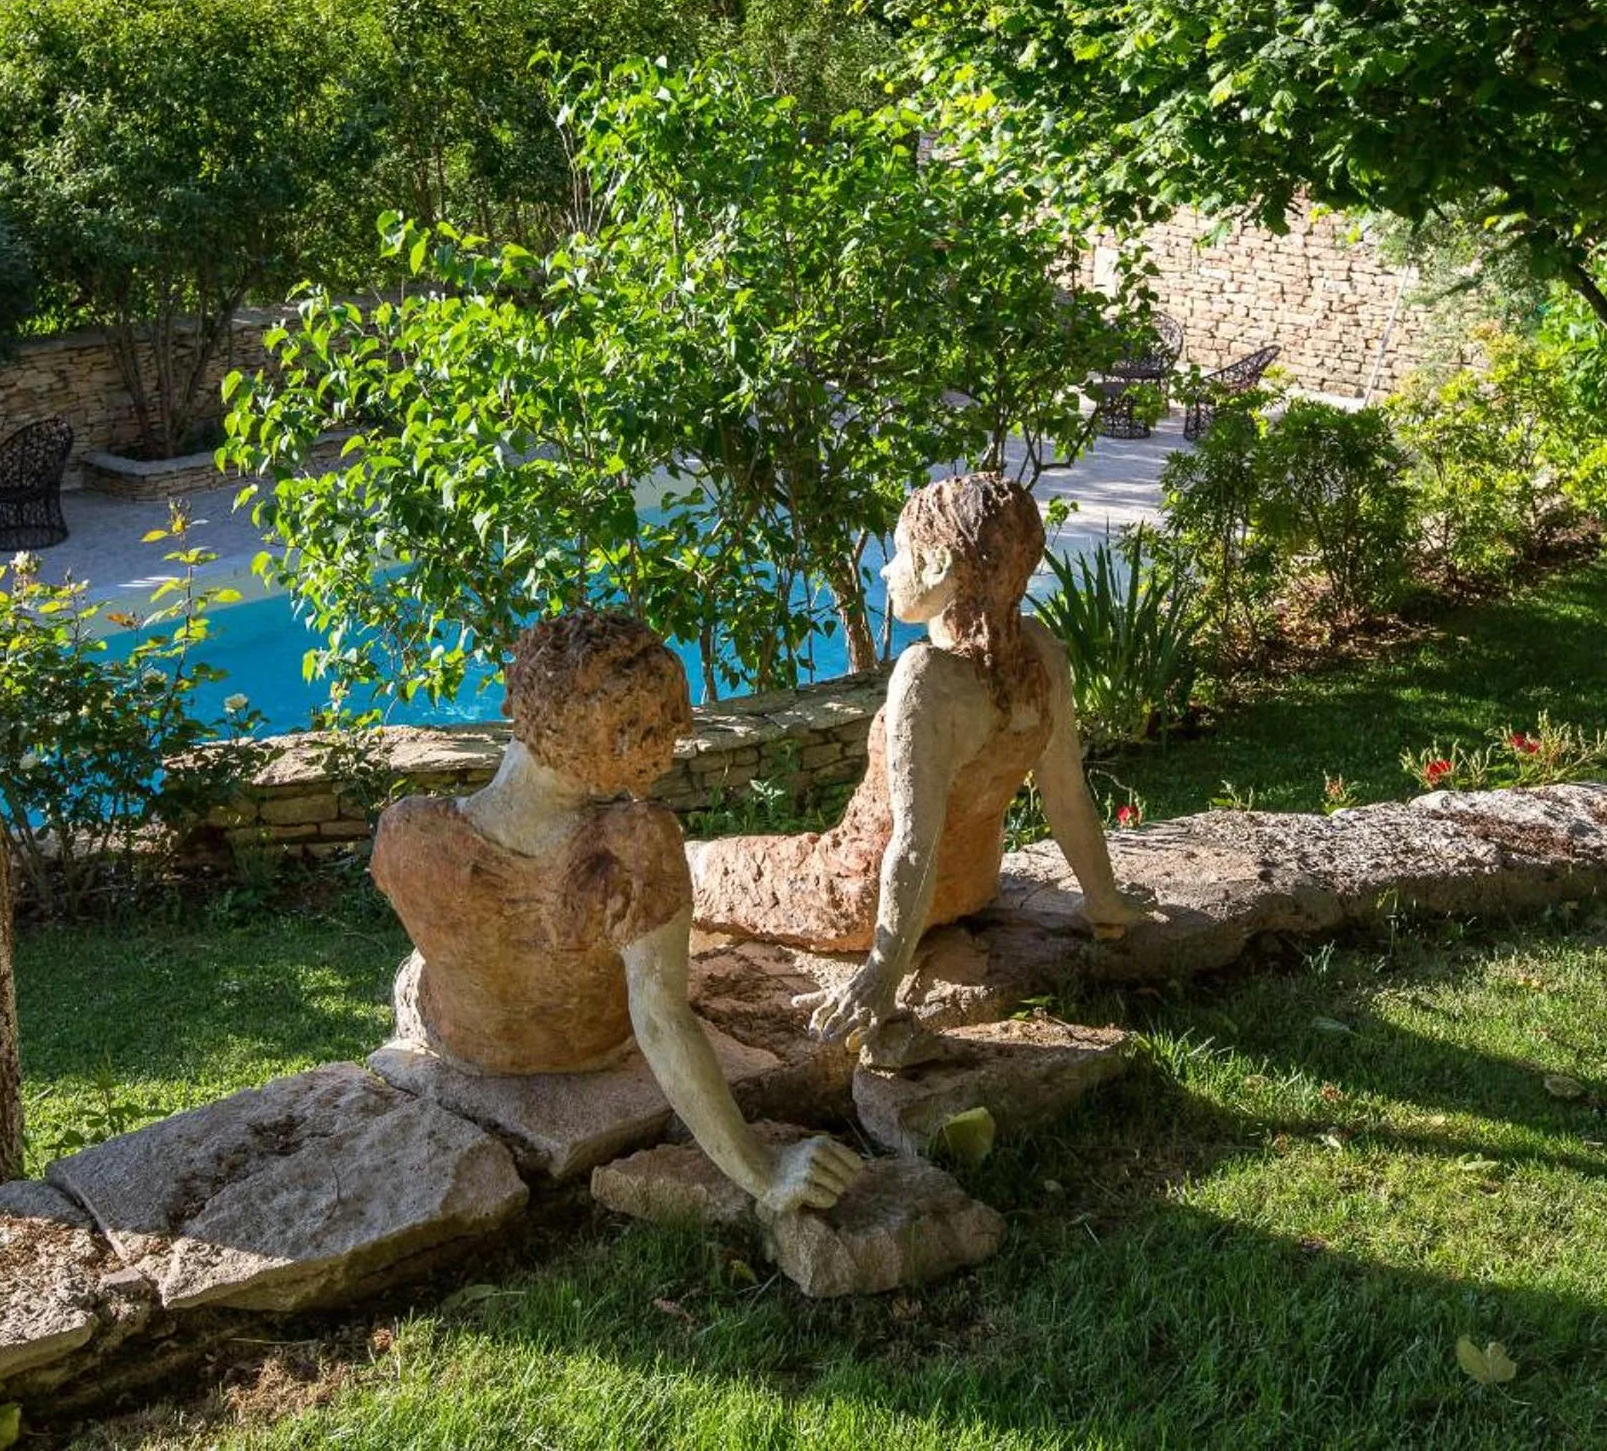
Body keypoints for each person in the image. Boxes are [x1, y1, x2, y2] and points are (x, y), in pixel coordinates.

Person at [370, 609, 861, 1219]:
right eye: (663, 733)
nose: (672, 749)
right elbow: (659, 1020)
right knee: (661, 960)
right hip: (592, 1042)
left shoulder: (408, 831)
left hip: (463, 1040)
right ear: (622, 736)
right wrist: (764, 1173)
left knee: (425, 962)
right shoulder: (633, 845)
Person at [687, 473, 1149, 1057]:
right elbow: (1067, 799)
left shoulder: (928, 677)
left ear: (938, 568)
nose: (886, 570)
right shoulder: (1042, 652)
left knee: (700, 864)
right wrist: (1103, 903)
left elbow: (912, 844)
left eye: (901, 552)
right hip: (973, 886)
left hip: (851, 894)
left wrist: (881, 977)